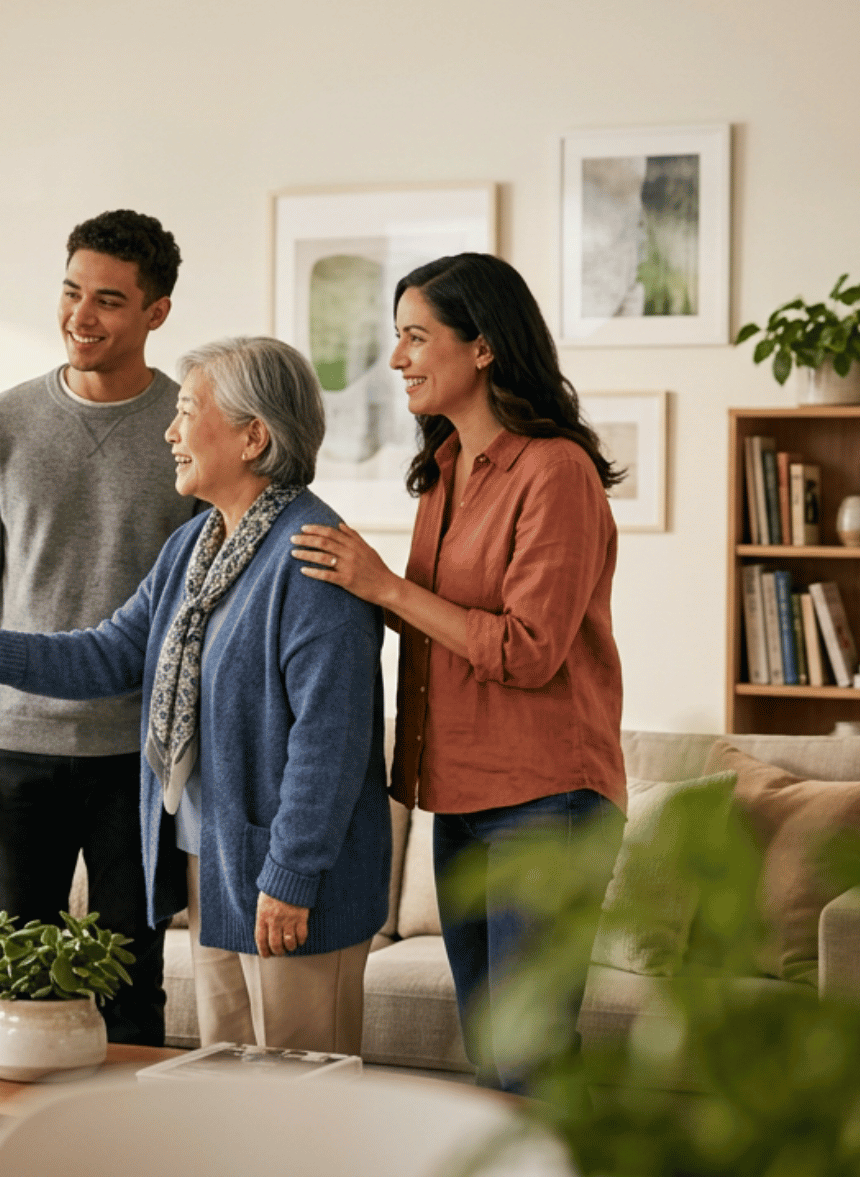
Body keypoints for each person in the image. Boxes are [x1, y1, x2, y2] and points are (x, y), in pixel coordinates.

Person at [0, 337, 390, 1057]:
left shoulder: (312, 556)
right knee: (228, 1081)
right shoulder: (197, 546)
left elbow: (329, 744)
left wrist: (291, 876)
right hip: (218, 862)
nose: (170, 433)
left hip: (289, 876)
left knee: (301, 1094)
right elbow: (113, 651)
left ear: (253, 437)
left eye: (186, 413)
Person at [289, 252, 627, 1094]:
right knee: (490, 1054)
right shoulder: (444, 471)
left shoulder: (556, 471)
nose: (396, 357)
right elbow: (435, 625)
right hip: (462, 797)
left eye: (415, 337)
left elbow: (528, 649)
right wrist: (340, 596)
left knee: (528, 1061)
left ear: (482, 346)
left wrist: (384, 586)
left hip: (548, 800)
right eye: (396, 337)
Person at [0, 209, 200, 1047]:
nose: (81, 316)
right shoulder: (0, 424)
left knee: (132, 984)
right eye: (71, 291)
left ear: (156, 311)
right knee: (14, 983)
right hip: (16, 751)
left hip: (141, 759)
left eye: (109, 300)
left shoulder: (192, 429)